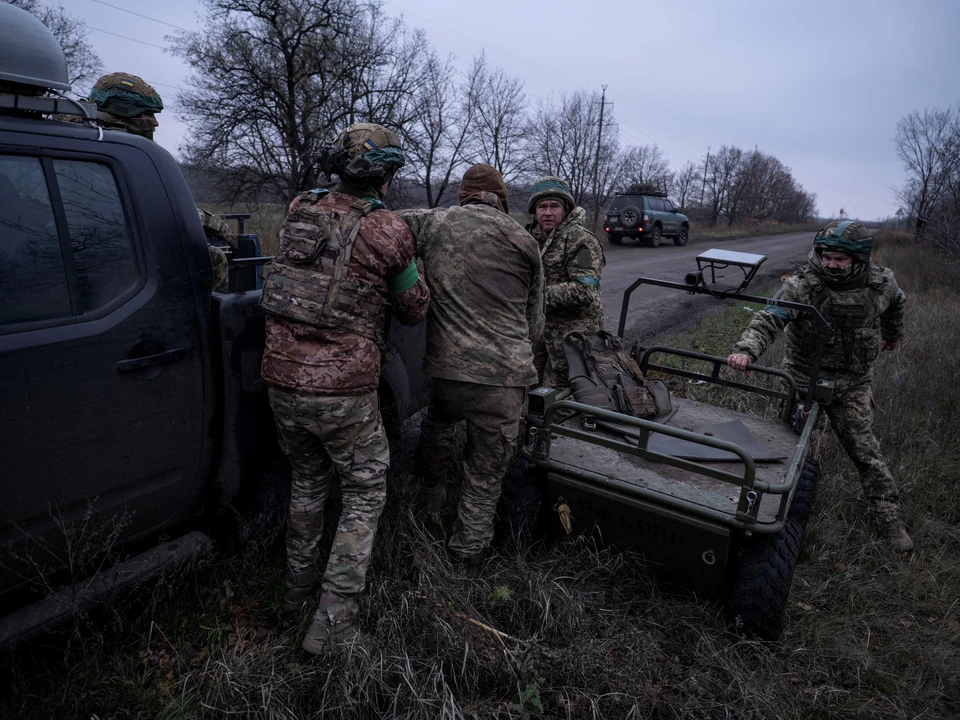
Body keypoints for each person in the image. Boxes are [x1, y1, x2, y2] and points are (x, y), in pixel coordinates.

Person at [259, 123, 430, 653]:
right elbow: (413, 308)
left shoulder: (299, 208)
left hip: (281, 379)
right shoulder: (388, 228)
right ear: (387, 174)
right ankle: (333, 625)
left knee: (307, 481)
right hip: (343, 390)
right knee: (364, 490)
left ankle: (295, 593)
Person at [726, 221, 912, 553]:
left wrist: (893, 336)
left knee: (866, 453)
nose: (830, 264)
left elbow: (897, 303)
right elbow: (770, 317)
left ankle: (889, 520)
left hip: (852, 384)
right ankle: (775, 516)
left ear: (858, 259)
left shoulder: (881, 284)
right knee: (786, 450)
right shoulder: (802, 286)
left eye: (839, 259)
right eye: (826, 257)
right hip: (803, 381)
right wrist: (746, 350)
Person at [398, 163, 544, 574]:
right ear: (502, 199)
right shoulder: (525, 241)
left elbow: (382, 227)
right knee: (484, 473)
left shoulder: (433, 222)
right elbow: (535, 324)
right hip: (503, 380)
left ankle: (427, 510)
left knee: (438, 426)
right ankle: (466, 556)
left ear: (463, 195)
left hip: (448, 372)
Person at [84, 72, 235, 291]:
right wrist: (216, 225)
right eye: (148, 114)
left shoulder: (86, 136)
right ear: (125, 111)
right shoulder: (121, 151)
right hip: (102, 247)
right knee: (212, 259)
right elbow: (159, 205)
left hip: (89, 240)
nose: (155, 123)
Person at [526, 176, 605, 388]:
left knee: (561, 398)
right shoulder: (529, 239)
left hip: (571, 340)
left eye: (554, 206)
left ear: (565, 209)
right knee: (530, 393)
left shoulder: (579, 239)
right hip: (539, 338)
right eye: (542, 207)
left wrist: (535, 296)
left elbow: (586, 290)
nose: (547, 212)